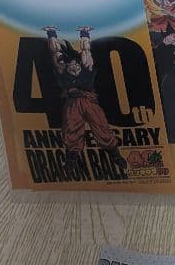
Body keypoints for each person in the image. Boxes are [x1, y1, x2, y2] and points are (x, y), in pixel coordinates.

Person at [44, 25, 127, 173]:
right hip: (72, 103)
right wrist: (51, 34)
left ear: (78, 62)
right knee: (71, 129)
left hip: (89, 101)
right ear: (67, 64)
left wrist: (84, 33)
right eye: (70, 64)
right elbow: (55, 52)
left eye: (75, 63)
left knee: (101, 126)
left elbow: (86, 50)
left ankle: (115, 154)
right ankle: (71, 158)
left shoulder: (86, 67)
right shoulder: (62, 70)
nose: (73, 66)